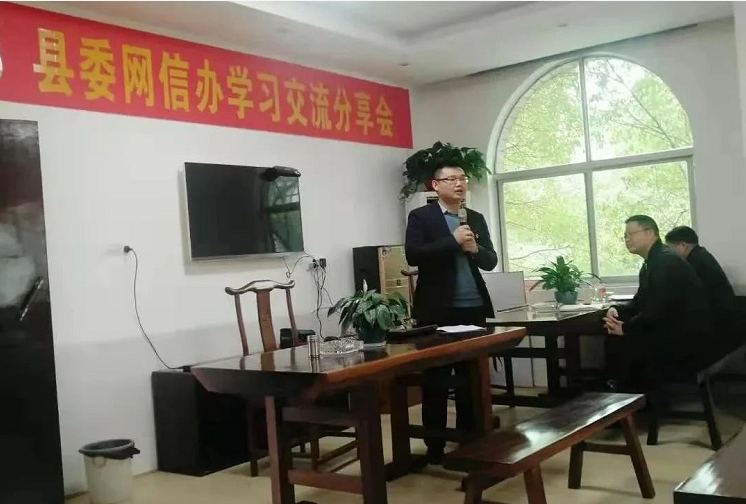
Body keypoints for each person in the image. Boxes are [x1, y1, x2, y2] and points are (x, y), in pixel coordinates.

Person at [405, 164, 497, 463]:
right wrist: (452, 241)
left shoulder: (475, 218)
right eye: (452, 179)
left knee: (471, 377)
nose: (459, 184)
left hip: (473, 308)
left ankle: (470, 440)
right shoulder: (421, 216)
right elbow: (413, 255)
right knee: (437, 379)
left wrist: (474, 249)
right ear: (436, 185)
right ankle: (435, 445)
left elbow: (491, 261)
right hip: (437, 311)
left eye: (462, 179)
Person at [603, 215, 712, 392]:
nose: (627, 239)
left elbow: (660, 309)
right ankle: (623, 395)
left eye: (631, 234)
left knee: (623, 343)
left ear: (650, 233)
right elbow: (640, 301)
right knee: (615, 327)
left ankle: (630, 398)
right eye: (625, 236)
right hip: (670, 328)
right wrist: (615, 309)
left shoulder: (666, 261)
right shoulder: (651, 263)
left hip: (686, 337)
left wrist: (626, 328)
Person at [665, 225, 740, 357]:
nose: (669, 254)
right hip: (723, 320)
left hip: (717, 325)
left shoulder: (694, 263)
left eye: (670, 248)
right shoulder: (701, 256)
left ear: (683, 245)